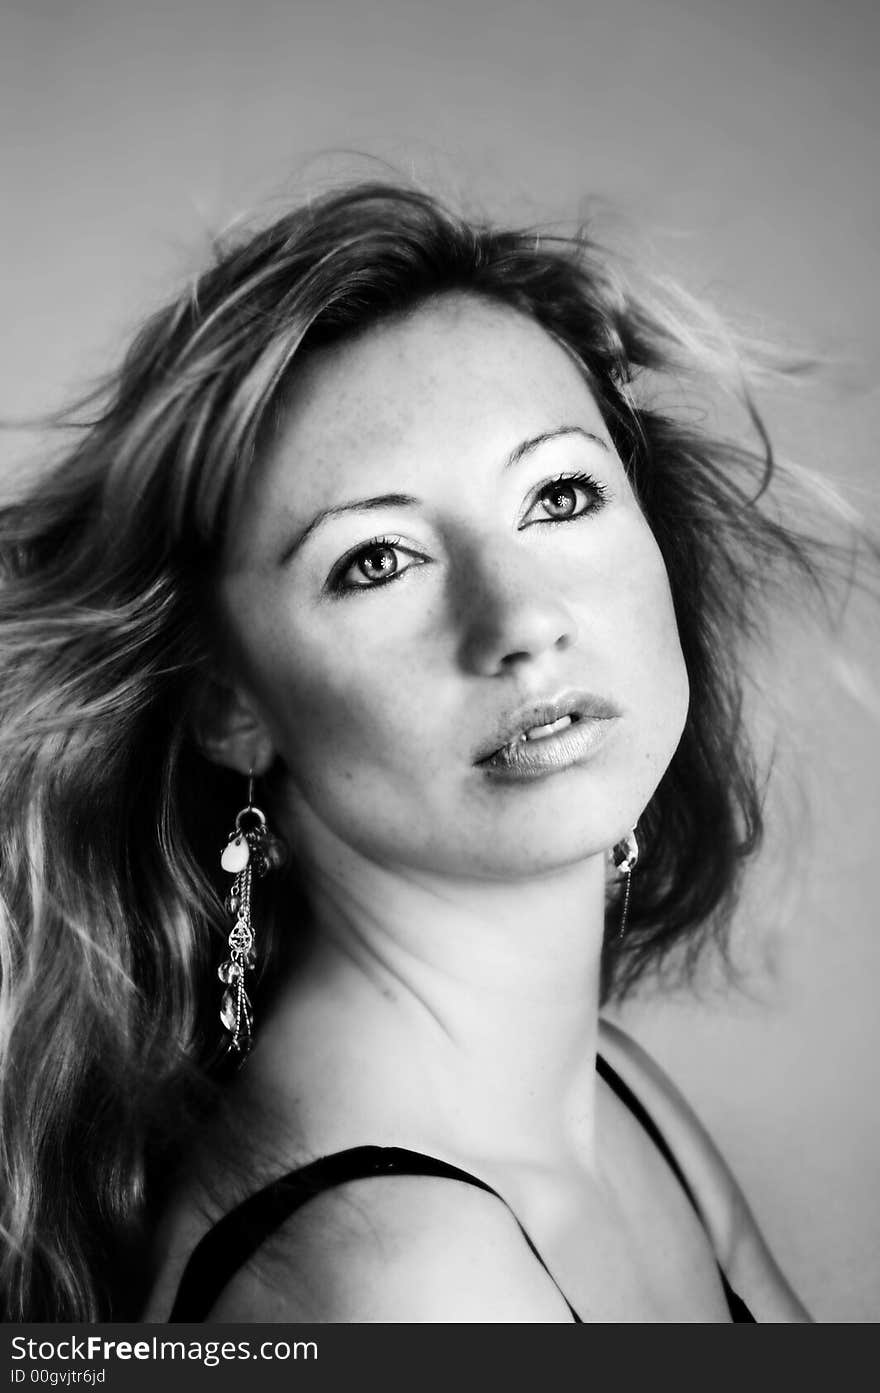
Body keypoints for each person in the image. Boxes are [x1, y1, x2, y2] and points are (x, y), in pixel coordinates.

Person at [0, 179, 853, 1323]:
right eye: (376, 561)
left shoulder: (618, 1099)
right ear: (228, 702)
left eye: (557, 494)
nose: (521, 622)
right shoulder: (406, 1273)